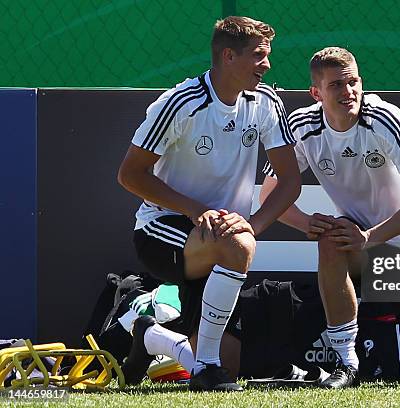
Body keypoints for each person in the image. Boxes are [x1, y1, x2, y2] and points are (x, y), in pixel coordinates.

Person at [117, 16, 301, 392]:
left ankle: (150, 337)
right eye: (259, 56)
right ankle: (205, 368)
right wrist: (194, 209)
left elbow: (290, 181)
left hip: (223, 242)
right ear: (229, 56)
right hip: (162, 228)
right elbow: (130, 175)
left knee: (228, 367)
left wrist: (254, 224)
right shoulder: (181, 102)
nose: (267, 65)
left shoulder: (266, 102)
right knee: (237, 245)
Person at [260, 47, 400, 388]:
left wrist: (371, 236)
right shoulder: (301, 126)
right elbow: (268, 195)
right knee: (330, 238)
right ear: (316, 93)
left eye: (353, 82)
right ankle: (347, 364)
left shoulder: (384, 119)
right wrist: (307, 223)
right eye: (336, 85)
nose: (348, 92)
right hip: (360, 253)